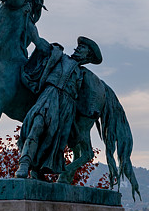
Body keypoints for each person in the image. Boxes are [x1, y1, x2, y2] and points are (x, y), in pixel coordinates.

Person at [15, 36, 103, 179]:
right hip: (49, 96)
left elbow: (82, 101)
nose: (78, 48)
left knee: (51, 138)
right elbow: (43, 47)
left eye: (83, 48)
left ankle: (37, 169)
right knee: (36, 125)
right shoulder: (59, 56)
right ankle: (24, 164)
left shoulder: (81, 74)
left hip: (66, 106)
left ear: (88, 57)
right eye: (79, 47)